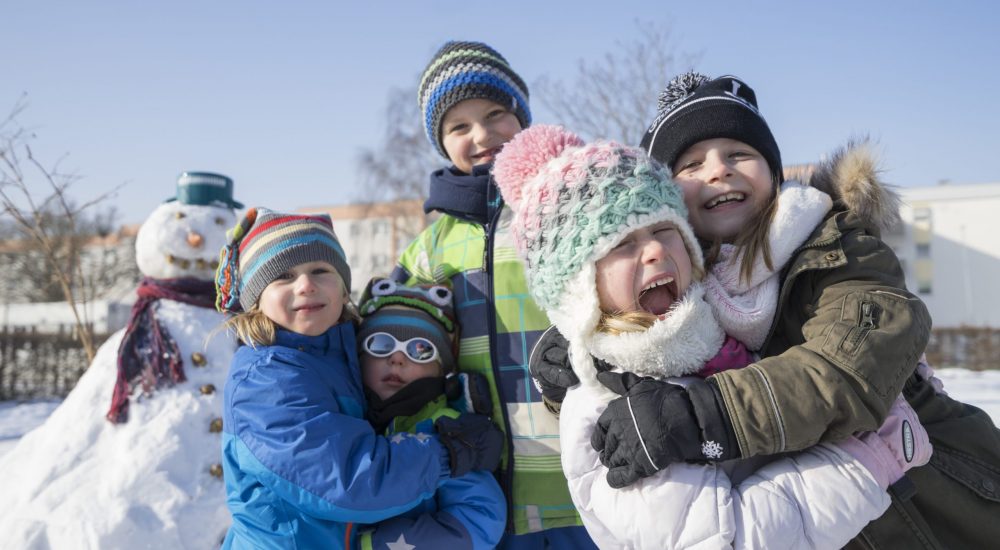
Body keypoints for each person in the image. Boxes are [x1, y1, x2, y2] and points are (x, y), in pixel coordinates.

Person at [580, 72, 1000, 548]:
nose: (718, 170)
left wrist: (705, 415)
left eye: (739, 154)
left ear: (774, 172)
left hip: (939, 504)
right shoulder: (678, 288)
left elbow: (847, 369)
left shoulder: (839, 248)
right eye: (691, 164)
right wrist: (582, 346)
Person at [492, 123, 931, 549]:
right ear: (579, 290)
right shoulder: (609, 404)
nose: (655, 250)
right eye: (622, 244)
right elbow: (727, 539)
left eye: (665, 231)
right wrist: (868, 461)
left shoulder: (717, 334)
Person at [391, 41, 595, 548]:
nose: (481, 135)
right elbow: (392, 340)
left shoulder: (566, 210)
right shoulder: (430, 248)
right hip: (488, 488)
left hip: (588, 475)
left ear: (522, 117)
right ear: (441, 142)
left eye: (495, 114)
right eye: (458, 127)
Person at [214, 208, 502, 549]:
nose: (306, 285)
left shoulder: (337, 357)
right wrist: (448, 452)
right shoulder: (266, 378)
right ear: (256, 299)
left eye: (320, 270)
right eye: (284, 276)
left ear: (343, 287)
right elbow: (347, 481)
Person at [354, 277, 505, 549]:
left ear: (441, 368)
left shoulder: (447, 430)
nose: (397, 359)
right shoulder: (346, 420)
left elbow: (480, 516)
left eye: (420, 350)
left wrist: (376, 543)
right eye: (380, 344)